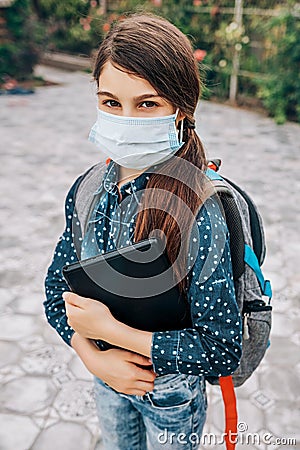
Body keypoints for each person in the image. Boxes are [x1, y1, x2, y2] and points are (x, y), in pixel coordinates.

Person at [44, 13, 242, 450]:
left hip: (171, 395)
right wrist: (90, 353)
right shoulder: (89, 189)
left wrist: (115, 335)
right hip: (105, 379)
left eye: (147, 104)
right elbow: (54, 292)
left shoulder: (198, 211)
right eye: (111, 102)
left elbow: (222, 348)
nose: (126, 118)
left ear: (180, 110)